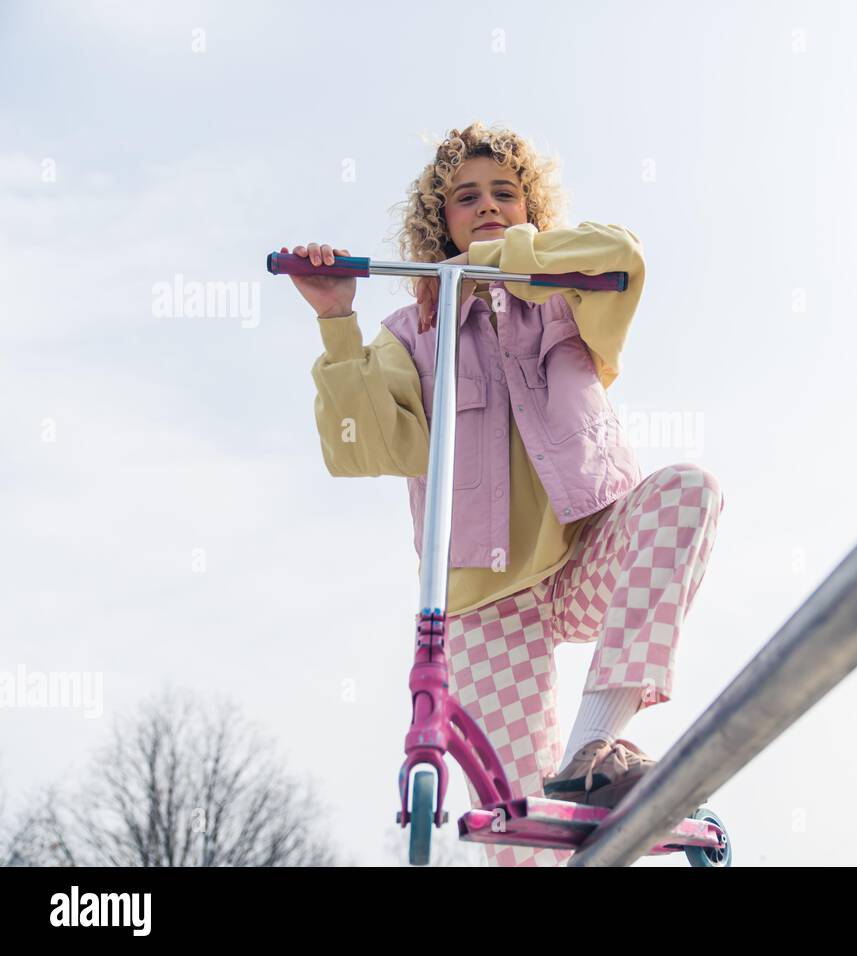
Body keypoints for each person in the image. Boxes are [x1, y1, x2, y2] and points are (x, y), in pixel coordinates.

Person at [285, 121, 724, 866]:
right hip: (485, 605)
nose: (486, 205)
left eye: (504, 193)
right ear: (439, 221)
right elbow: (363, 446)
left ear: (529, 207)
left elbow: (623, 258)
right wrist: (335, 318)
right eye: (465, 198)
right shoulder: (410, 336)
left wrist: (495, 261)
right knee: (529, 839)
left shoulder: (563, 297)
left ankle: (595, 746)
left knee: (689, 491)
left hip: (583, 557)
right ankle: (568, 789)